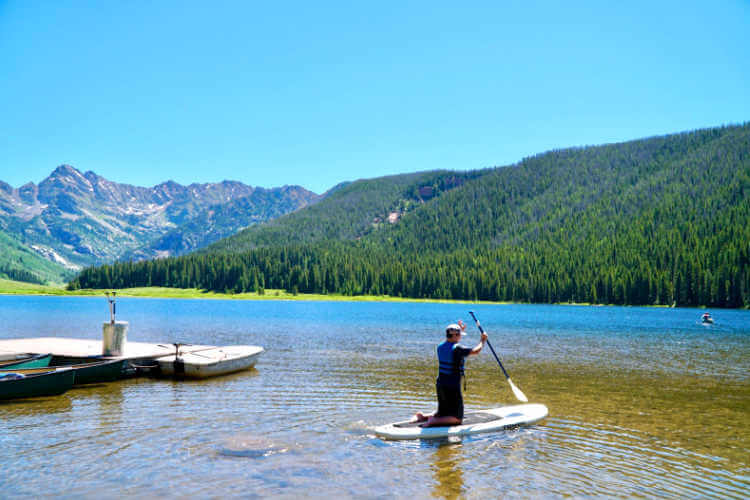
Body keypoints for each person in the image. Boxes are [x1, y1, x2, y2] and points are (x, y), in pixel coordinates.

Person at [413, 319, 488, 427]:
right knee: (457, 418)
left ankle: (422, 417)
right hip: (452, 385)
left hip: (441, 383)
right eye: (459, 335)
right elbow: (476, 351)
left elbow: (454, 345)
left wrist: (458, 330)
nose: (461, 336)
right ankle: (433, 421)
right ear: (455, 336)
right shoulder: (457, 348)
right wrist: (482, 340)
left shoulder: (440, 346)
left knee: (443, 412)